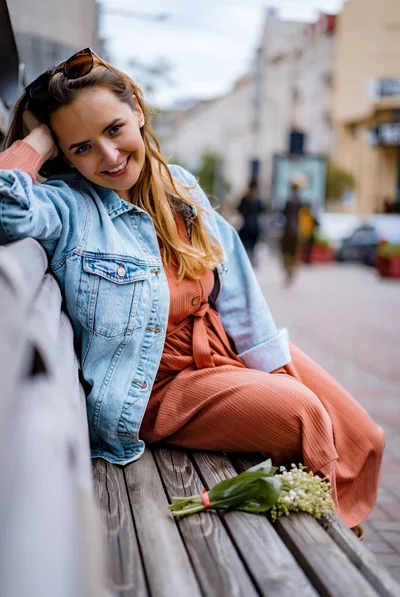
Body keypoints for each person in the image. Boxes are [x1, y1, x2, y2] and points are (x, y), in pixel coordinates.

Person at [0, 48, 384, 534]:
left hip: (220, 349)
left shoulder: (177, 186)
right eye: (81, 147)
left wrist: (271, 362)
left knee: (359, 434)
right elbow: (3, 207)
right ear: (62, 153)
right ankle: (328, 541)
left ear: (137, 113)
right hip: (158, 388)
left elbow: (236, 281)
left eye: (114, 129)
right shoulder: (69, 206)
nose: (110, 156)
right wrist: (37, 137)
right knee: (306, 415)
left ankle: (333, 514)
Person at [280, 179, 304, 284]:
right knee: (294, 252)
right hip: (296, 229)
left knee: (286, 251)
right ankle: (292, 270)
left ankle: (288, 269)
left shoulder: (289, 200)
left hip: (288, 229)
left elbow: (284, 214)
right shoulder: (300, 201)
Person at [237, 182, 263, 265]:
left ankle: (246, 260)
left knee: (246, 245)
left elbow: (239, 209)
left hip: (247, 225)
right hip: (254, 225)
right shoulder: (257, 200)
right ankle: (250, 259)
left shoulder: (245, 198)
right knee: (252, 246)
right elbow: (261, 211)